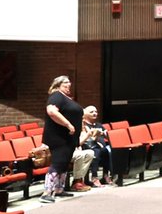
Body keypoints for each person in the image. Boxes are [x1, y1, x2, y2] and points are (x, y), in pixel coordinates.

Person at [41, 75, 83, 204]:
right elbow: (52, 111)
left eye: (69, 82)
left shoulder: (65, 97)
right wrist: (68, 124)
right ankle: (47, 192)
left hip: (68, 138)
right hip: (59, 137)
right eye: (65, 83)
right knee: (58, 162)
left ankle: (59, 189)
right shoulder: (56, 96)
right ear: (58, 84)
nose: (68, 84)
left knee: (64, 163)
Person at [80, 106, 112, 186]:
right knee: (96, 152)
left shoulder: (98, 125)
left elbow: (108, 136)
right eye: (92, 112)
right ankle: (94, 177)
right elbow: (89, 139)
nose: (95, 113)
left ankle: (105, 175)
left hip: (99, 148)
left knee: (106, 151)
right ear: (86, 114)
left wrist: (104, 134)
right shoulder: (84, 125)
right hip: (88, 147)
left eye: (96, 112)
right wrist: (96, 135)